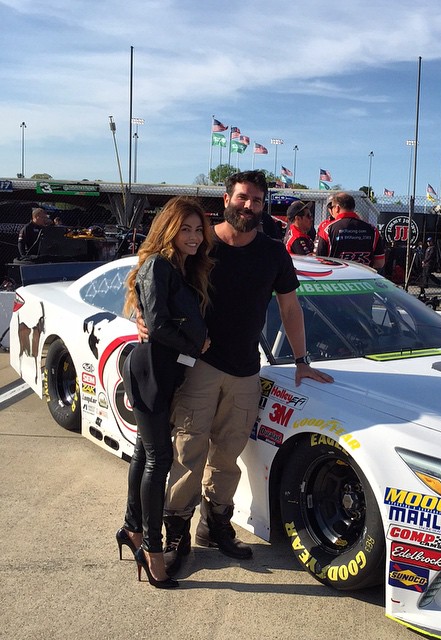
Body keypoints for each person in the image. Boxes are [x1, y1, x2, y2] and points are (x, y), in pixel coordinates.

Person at [138, 171, 334, 575]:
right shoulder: (200, 243)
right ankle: (176, 534)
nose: (249, 206)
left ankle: (215, 527)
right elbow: (155, 274)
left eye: (257, 200)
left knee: (227, 457)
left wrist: (301, 360)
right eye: (243, 197)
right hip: (199, 366)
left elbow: (290, 307)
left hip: (246, 371)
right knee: (188, 454)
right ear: (226, 198)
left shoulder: (273, 253)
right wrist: (142, 317)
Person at [117, 196, 212, 589]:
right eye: (184, 229)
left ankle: (131, 528)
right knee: (159, 460)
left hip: (166, 370)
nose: (193, 236)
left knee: (145, 452)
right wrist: (196, 346)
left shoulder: (183, 267)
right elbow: (157, 326)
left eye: (198, 229)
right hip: (151, 369)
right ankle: (152, 551)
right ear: (168, 230)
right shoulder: (158, 264)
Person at [315, 192, 385, 269]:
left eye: (332, 207)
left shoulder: (327, 229)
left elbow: (319, 260)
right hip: (363, 274)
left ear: (337, 208)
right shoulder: (373, 230)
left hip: (335, 275)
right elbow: (379, 263)